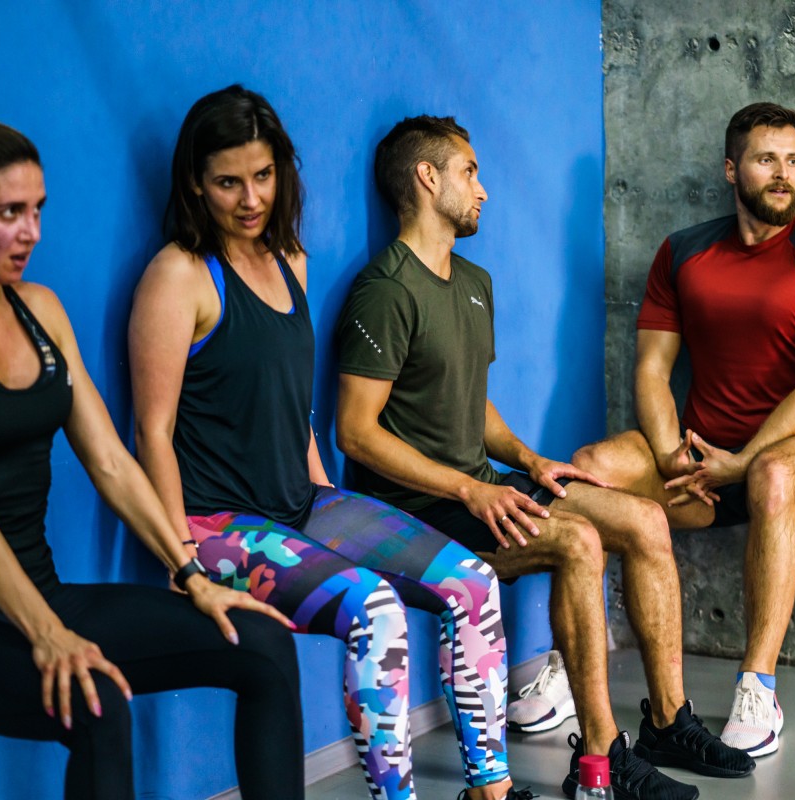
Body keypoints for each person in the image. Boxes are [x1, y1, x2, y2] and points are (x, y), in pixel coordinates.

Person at [335, 114, 756, 800]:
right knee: (578, 540)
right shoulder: (385, 291)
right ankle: (600, 761)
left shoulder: (472, 282)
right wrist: (468, 490)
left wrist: (530, 462)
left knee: (645, 519)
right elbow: (356, 433)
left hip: (481, 486)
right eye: (470, 172)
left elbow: (470, 402)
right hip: (418, 509)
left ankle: (667, 721)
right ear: (427, 178)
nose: (483, 190)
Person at [128, 86, 530, 800]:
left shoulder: (290, 259)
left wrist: (323, 489)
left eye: (262, 175)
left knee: (473, 582)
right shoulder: (178, 276)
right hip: (216, 524)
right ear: (195, 185)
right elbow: (151, 432)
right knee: (374, 610)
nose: (250, 198)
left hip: (303, 501)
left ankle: (489, 791)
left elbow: (292, 399)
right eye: (227, 182)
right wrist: (180, 560)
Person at [0, 120, 304, 800]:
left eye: (38, 210)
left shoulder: (40, 311)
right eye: (9, 213)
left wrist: (192, 574)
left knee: (262, 645)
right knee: (97, 702)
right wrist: (48, 634)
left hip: (45, 592)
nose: (31, 232)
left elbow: (112, 464)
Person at [572, 102, 795, 757]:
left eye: (793, 161)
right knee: (590, 469)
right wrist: (668, 454)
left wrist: (743, 460)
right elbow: (652, 368)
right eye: (767, 160)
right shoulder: (684, 252)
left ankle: (757, 686)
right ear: (732, 169)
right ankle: (570, 665)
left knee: (772, 476)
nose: (783, 174)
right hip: (700, 456)